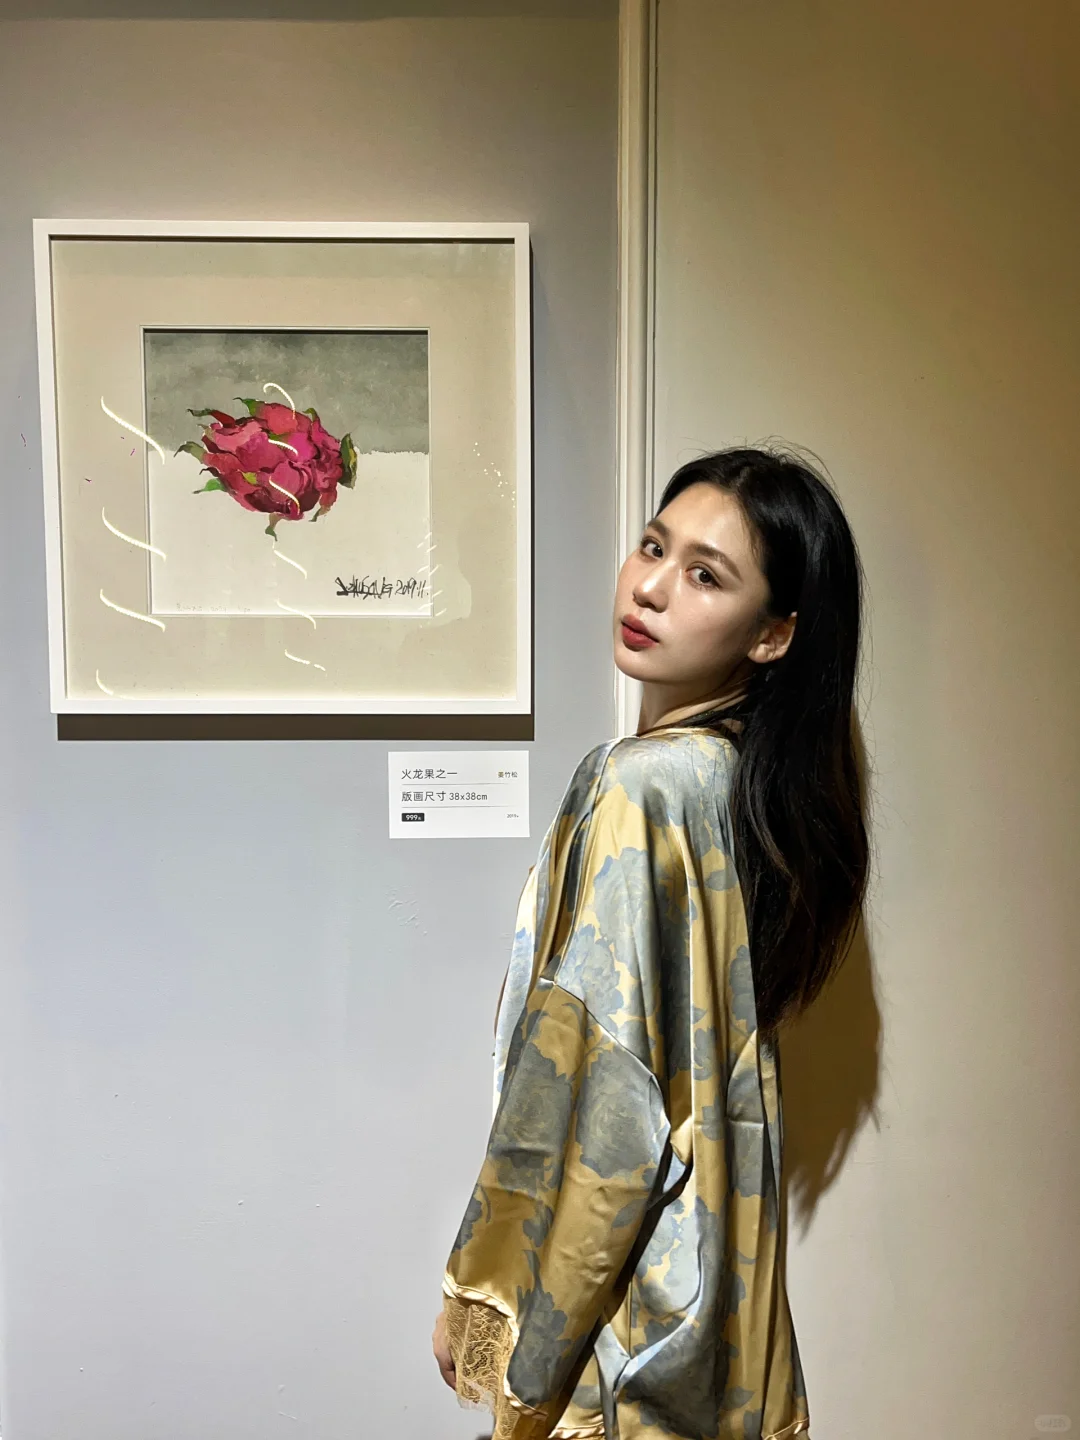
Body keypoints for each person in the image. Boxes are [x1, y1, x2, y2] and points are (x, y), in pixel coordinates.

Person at [431, 446, 869, 1440]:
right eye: (653, 547)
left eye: (706, 575)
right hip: (717, 1304)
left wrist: (493, 1297)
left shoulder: (638, 786)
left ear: (773, 634)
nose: (651, 587)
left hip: (625, 1318)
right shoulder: (746, 785)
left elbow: (595, 1090)